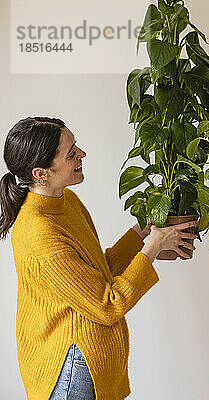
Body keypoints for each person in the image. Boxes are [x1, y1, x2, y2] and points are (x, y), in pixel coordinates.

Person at [0, 117, 197, 400]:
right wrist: (152, 247)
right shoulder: (38, 233)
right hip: (72, 371)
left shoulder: (65, 202)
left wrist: (142, 230)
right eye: (71, 153)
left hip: (89, 362)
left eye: (76, 145)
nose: (82, 154)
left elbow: (96, 272)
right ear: (41, 172)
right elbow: (107, 304)